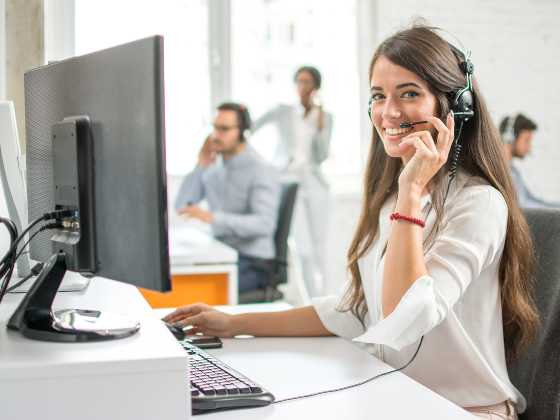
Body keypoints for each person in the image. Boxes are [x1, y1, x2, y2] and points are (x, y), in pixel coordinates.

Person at [165, 23, 539, 419]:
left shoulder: (478, 204)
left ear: (454, 107)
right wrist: (234, 322)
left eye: (409, 94)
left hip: (467, 411)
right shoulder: (392, 198)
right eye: (378, 96)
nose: (389, 112)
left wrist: (412, 187)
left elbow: (404, 320)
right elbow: (356, 309)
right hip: (401, 401)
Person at [175, 102, 281, 294]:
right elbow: (182, 207)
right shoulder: (214, 167)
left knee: (195, 292)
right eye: (215, 128)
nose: (215, 135)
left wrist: (213, 218)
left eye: (224, 129)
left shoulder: (260, 170)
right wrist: (200, 165)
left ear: (242, 132)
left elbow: (265, 224)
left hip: (253, 262)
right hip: (220, 254)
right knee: (177, 280)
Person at [251, 66, 333, 297]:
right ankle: (311, 304)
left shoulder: (325, 117)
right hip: (288, 181)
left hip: (314, 183)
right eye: (298, 82)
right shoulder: (283, 111)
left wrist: (319, 127)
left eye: (306, 82)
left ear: (316, 87)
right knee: (303, 250)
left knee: (319, 249)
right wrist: (267, 165)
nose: (301, 87)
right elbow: (250, 128)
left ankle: (324, 302)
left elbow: (321, 156)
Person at [499, 114, 560, 207]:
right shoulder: (502, 172)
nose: (529, 146)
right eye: (526, 140)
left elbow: (532, 200)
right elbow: (523, 205)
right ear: (509, 139)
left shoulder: (514, 171)